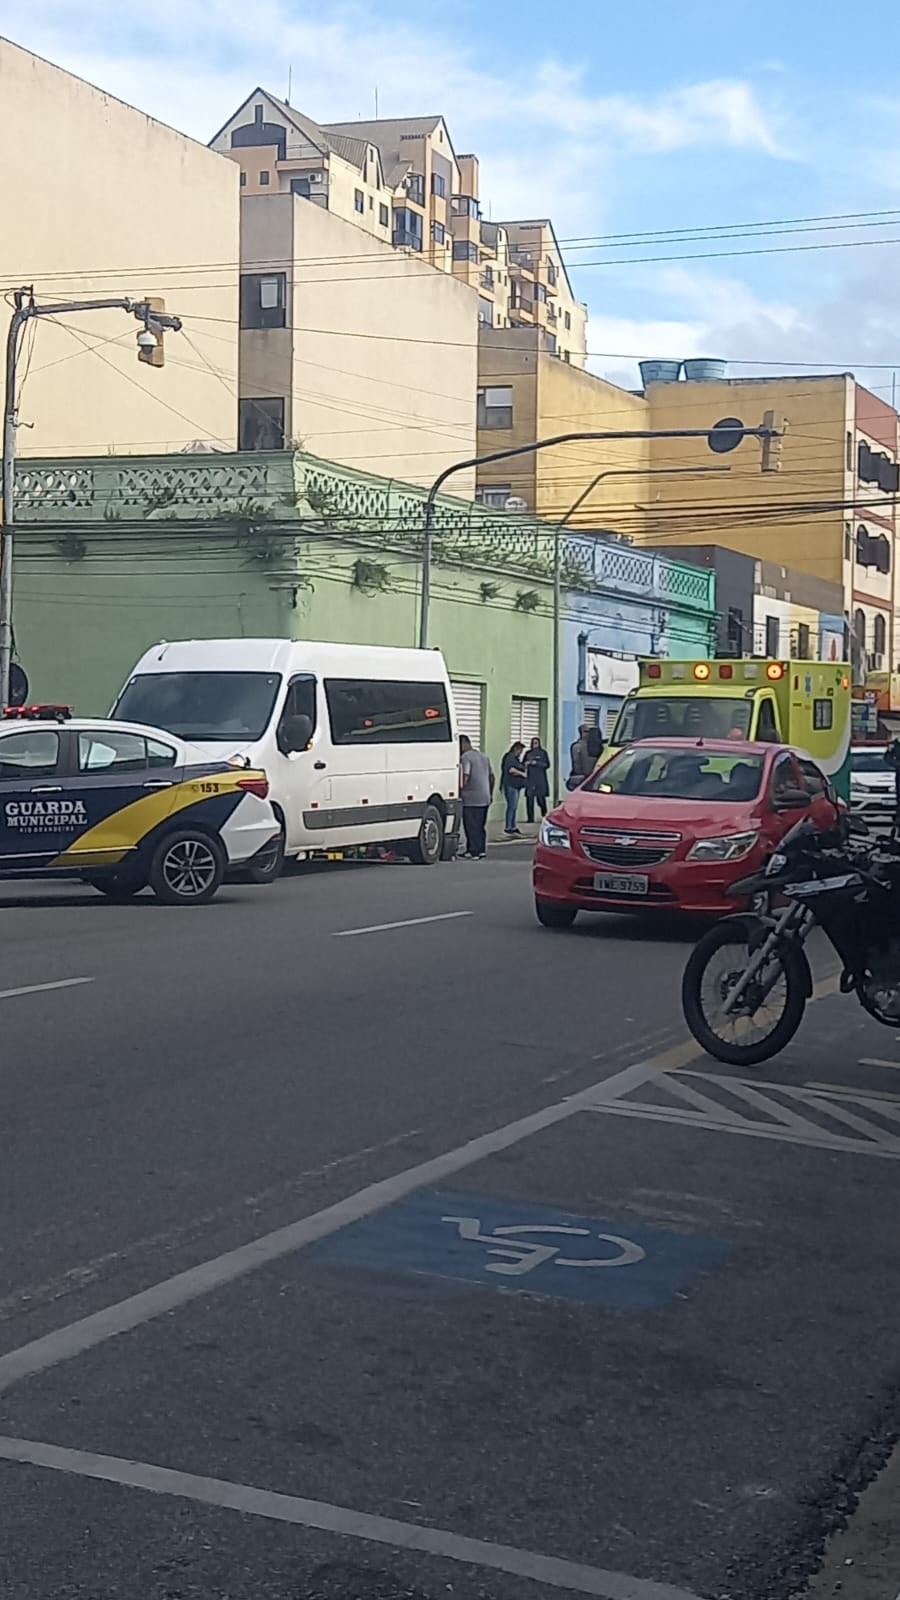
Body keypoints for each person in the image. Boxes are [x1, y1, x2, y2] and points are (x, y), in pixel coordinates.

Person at [459, 735, 494, 858]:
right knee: (480, 825)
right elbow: (491, 777)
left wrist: (460, 789)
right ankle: (481, 849)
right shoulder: (484, 756)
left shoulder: (465, 757)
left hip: (471, 797)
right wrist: (491, 793)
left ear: (463, 744)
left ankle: (473, 850)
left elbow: (466, 775)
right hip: (484, 796)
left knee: (471, 825)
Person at [500, 741, 527, 835]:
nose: (520, 753)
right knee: (511, 807)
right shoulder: (510, 757)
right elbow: (511, 770)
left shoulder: (515, 758)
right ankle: (509, 826)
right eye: (520, 751)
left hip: (515, 785)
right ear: (516, 749)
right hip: (511, 785)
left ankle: (513, 826)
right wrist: (522, 774)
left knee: (514, 807)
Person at [567, 723, 604, 789]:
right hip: (583, 777)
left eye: (589, 731)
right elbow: (576, 764)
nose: (587, 734)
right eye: (585, 731)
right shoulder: (577, 746)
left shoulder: (598, 746)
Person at [524, 735, 551, 822]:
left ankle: (544, 815)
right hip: (530, 779)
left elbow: (547, 765)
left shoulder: (543, 753)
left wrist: (537, 763)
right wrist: (527, 763)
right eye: (533, 743)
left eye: (536, 743)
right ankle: (530, 818)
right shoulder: (528, 753)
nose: (535, 745)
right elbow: (523, 764)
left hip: (540, 779)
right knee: (529, 799)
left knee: (541, 799)